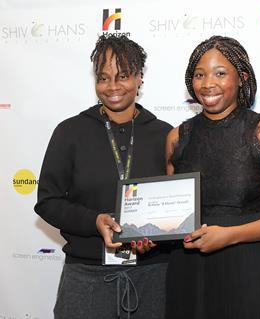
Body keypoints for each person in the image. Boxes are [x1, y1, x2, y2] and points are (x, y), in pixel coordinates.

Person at [165, 35, 260, 318]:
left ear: (241, 77)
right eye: (199, 75)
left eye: (220, 73)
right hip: (191, 271)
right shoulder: (177, 137)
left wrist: (229, 236)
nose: (207, 84)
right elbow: (171, 216)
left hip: (252, 269)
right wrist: (145, 235)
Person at [34, 34, 172, 319]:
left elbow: (174, 205)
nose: (112, 87)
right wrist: (94, 221)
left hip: (153, 277)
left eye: (122, 76)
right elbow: (48, 202)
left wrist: (158, 235)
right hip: (86, 277)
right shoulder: (69, 132)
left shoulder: (165, 134)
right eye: (103, 77)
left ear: (139, 78)